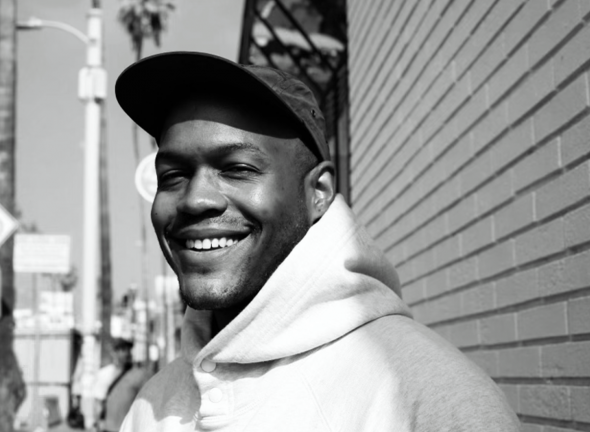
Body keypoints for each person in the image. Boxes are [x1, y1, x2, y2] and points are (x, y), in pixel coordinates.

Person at [114, 51, 519, 431]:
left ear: (318, 193)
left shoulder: (430, 397)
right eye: (173, 175)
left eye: (237, 168)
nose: (195, 199)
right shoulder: (152, 407)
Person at [92, 338, 149, 432]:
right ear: (114, 352)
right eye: (122, 349)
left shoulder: (140, 375)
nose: (126, 353)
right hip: (108, 428)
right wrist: (97, 423)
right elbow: (98, 402)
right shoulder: (104, 374)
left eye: (128, 349)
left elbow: (146, 404)